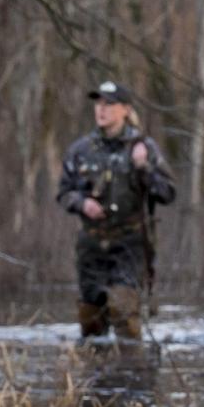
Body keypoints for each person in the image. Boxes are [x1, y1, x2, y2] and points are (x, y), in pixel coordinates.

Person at [56, 80, 176, 339]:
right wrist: (82, 203)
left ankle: (130, 373)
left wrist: (143, 167)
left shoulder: (143, 148)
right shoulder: (81, 150)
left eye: (109, 104)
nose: (102, 110)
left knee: (123, 311)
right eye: (98, 104)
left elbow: (167, 193)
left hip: (130, 243)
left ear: (125, 109)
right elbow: (64, 193)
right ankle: (95, 374)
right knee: (90, 319)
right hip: (91, 244)